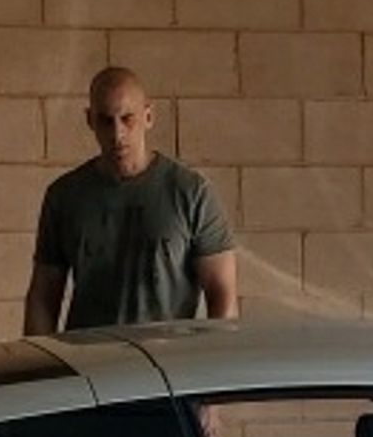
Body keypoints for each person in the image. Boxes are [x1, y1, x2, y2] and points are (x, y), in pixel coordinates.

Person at [23, 67, 237, 334]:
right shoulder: (64, 197)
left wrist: (209, 366)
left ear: (148, 116)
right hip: (91, 365)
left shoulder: (192, 193)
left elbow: (223, 296)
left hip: (168, 367)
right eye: (105, 120)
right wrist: (41, 370)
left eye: (127, 119)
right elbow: (43, 296)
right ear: (90, 120)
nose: (117, 134)